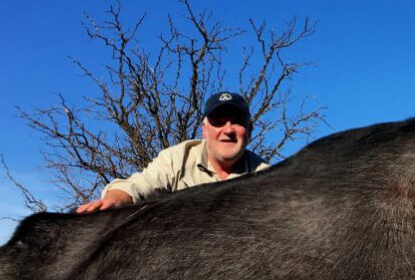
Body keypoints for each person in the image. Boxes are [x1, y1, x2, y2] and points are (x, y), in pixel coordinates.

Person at [76, 91, 271, 213]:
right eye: (218, 123)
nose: (228, 130)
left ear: (249, 129)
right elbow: (140, 185)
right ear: (204, 129)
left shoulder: (265, 175)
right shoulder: (179, 157)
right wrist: (112, 201)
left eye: (236, 122)